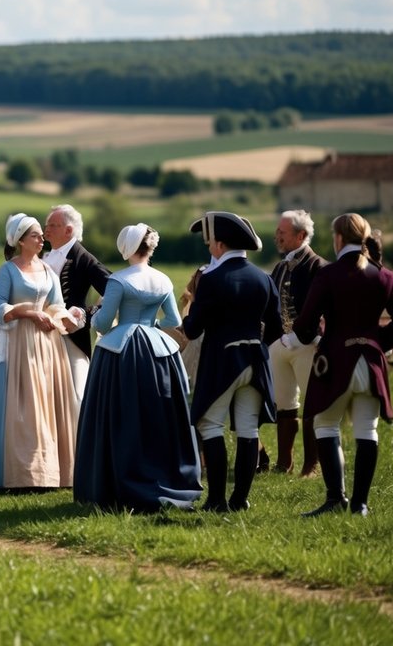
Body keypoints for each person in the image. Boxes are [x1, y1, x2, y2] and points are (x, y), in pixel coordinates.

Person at [287, 213, 393, 517]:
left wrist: (307, 334)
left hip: (335, 361)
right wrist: (376, 342)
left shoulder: (328, 275)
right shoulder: (385, 276)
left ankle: (335, 499)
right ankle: (361, 505)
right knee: (367, 430)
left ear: (339, 238)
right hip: (370, 364)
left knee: (326, 425)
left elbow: (305, 323)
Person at [74, 224, 202, 512]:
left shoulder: (118, 281)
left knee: (120, 414)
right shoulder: (163, 280)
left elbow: (104, 324)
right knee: (160, 414)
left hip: (122, 349)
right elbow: (171, 320)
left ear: (127, 248)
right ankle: (165, 475)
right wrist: (151, 328)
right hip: (159, 350)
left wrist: (92, 320)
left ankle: (115, 479)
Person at [0, 213, 79, 490]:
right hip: (14, 343)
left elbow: (56, 304)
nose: (42, 239)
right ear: (20, 241)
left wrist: (66, 316)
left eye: (42, 234)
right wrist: (28, 313)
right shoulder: (9, 270)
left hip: (45, 344)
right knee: (21, 407)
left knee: (44, 405)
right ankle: (19, 472)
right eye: (35, 235)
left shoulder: (47, 270)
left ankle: (47, 472)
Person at [180, 211, 282, 513]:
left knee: (210, 425)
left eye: (211, 242)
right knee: (248, 429)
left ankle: (216, 501)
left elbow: (194, 328)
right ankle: (240, 499)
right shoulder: (264, 278)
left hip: (223, 360)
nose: (209, 247)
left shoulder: (212, 279)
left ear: (221, 245)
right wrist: (257, 342)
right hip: (256, 360)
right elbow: (276, 326)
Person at [266, 210, 327, 476]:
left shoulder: (318, 267)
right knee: (284, 405)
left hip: (308, 345)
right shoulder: (280, 267)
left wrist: (312, 338)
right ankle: (284, 463)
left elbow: (322, 310)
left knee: (313, 405)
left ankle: (312, 465)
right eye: (278, 231)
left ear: (301, 235)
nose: (277, 236)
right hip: (281, 345)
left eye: (283, 232)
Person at [42, 204, 111, 407]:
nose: (46, 230)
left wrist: (85, 315)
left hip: (72, 338)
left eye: (52, 225)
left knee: (76, 395)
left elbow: (114, 290)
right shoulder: (43, 254)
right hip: (41, 334)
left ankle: (79, 438)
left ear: (68, 230)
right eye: (47, 225)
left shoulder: (84, 258)